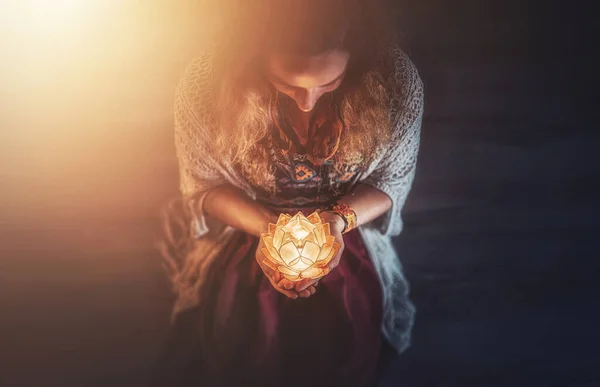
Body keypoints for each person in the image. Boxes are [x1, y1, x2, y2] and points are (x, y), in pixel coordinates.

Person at [151, 0, 424, 386]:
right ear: (251, 56)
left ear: (358, 58)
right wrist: (268, 229)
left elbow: (392, 180)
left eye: (329, 84)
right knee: (244, 346)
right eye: (287, 84)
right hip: (247, 230)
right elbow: (204, 183)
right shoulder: (206, 87)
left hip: (346, 237)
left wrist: (336, 220)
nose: (307, 101)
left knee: (346, 344)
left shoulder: (395, 83)